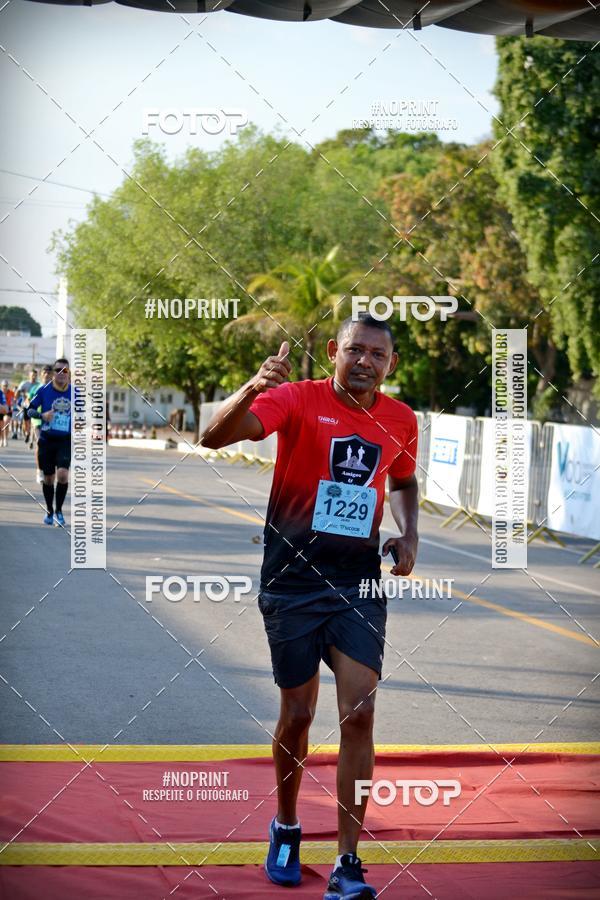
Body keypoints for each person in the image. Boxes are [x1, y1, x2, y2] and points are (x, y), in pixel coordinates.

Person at [201, 314, 419, 900]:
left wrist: (410, 532)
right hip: (292, 583)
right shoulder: (295, 399)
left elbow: (401, 480)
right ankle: (287, 825)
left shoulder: (401, 419)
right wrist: (253, 384)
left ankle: (349, 862)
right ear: (333, 352)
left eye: (377, 354)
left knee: (360, 712)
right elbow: (212, 437)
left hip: (357, 586)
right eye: (354, 350)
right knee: (297, 714)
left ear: (390, 363)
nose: (365, 361)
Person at [27, 358, 72, 526]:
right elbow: (28, 410)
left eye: (65, 370)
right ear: (53, 373)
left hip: (64, 440)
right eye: (58, 370)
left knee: (62, 474)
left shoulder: (75, 393)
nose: (61, 373)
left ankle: (59, 511)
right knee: (48, 478)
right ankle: (49, 510)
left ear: (69, 374)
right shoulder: (44, 390)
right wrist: (42, 415)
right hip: (46, 439)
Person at [28, 365, 53, 483]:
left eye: (49, 372)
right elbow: (29, 401)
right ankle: (39, 470)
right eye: (45, 372)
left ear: (52, 374)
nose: (47, 374)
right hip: (37, 419)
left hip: (51, 420)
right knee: (40, 443)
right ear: (41, 374)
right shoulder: (35, 388)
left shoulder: (55, 388)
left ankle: (48, 468)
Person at [18, 368, 39, 446]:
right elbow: (17, 392)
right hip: (25, 405)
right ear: (29, 375)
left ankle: (31, 439)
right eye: (32, 375)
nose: (34, 377)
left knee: (33, 422)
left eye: (35, 375)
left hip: (35, 405)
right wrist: (18, 396)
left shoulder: (38, 384)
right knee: (25, 422)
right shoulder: (24, 383)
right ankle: (27, 433)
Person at [0, 380, 13, 447]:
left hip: (8, 410)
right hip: (0, 411)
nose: (5, 387)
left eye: (6, 386)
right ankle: (1, 439)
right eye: (4, 386)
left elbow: (12, 401)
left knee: (6, 422)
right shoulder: (0, 392)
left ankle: (5, 439)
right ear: (1, 386)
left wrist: (12, 405)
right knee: (1, 426)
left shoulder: (11, 393)